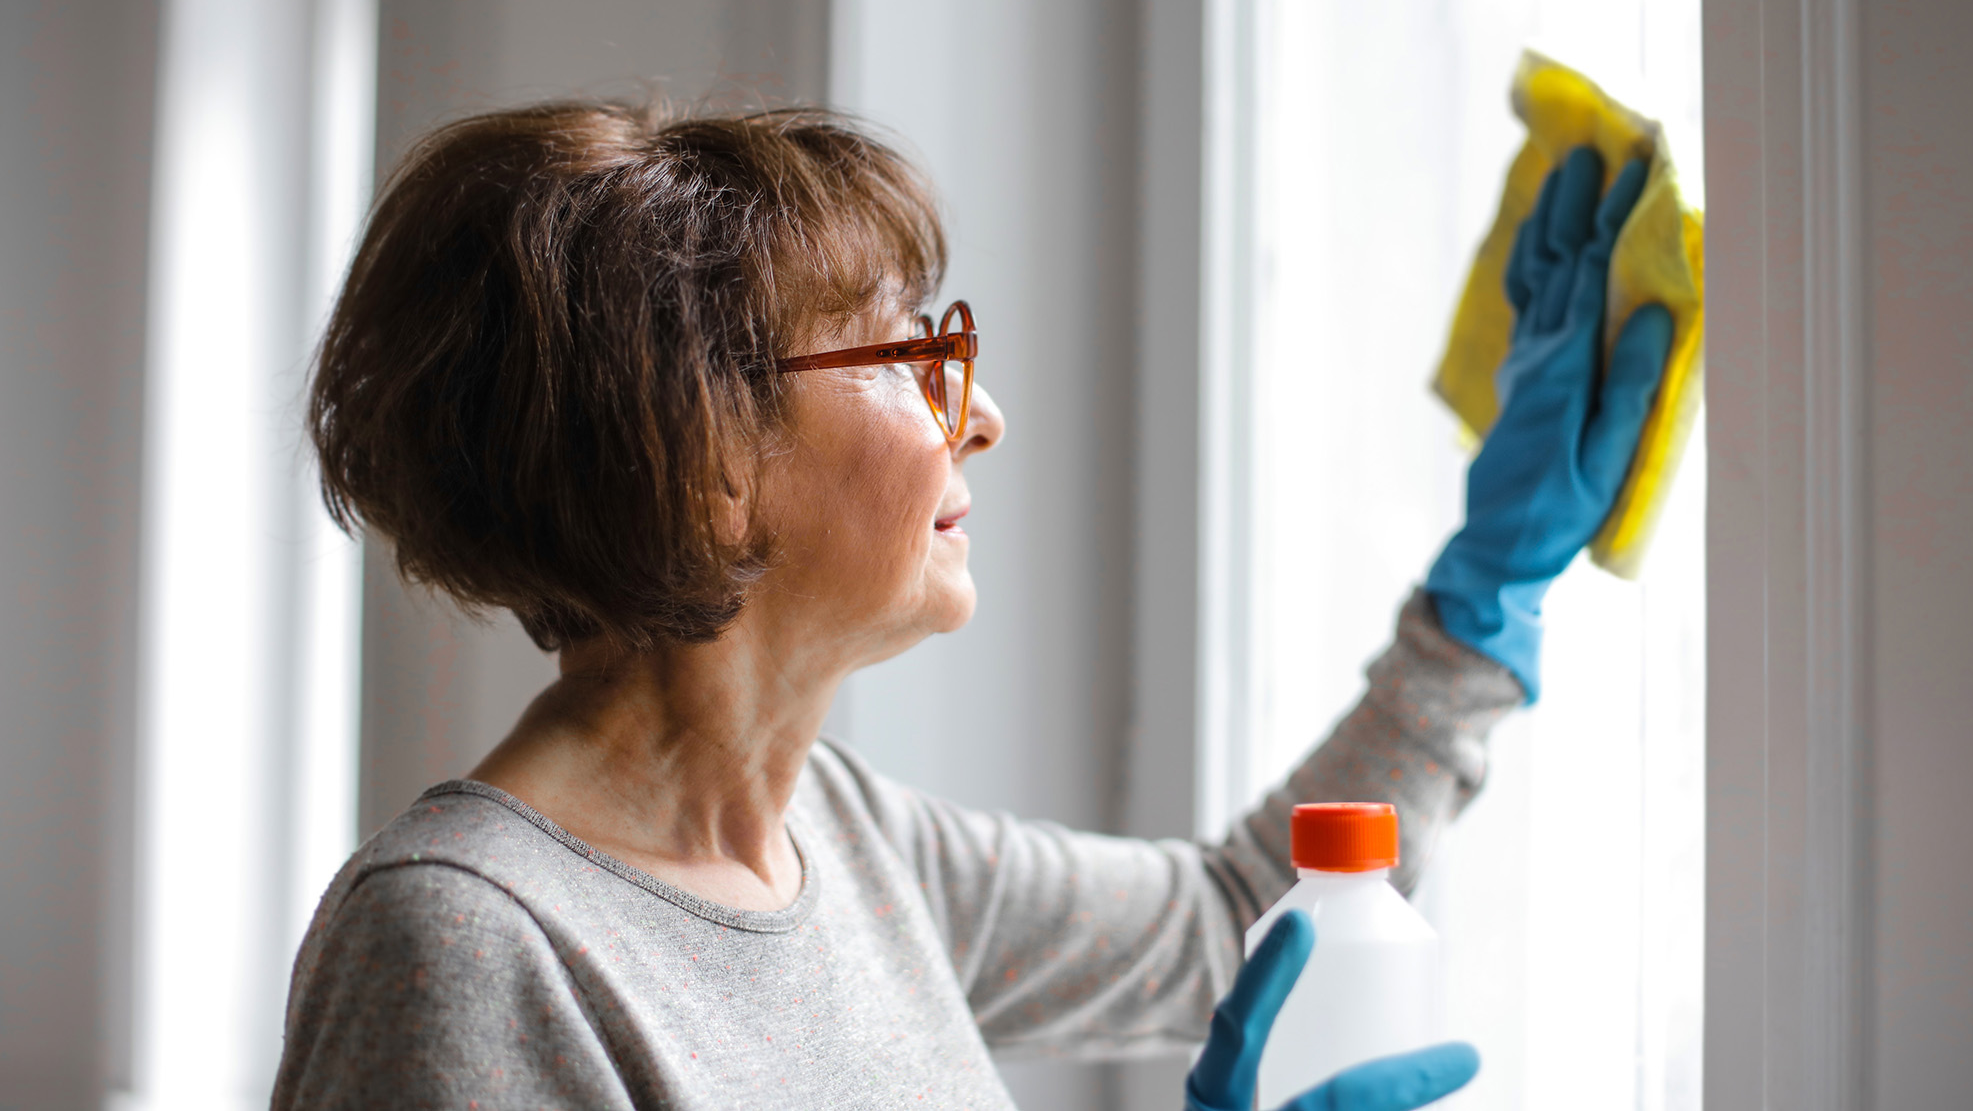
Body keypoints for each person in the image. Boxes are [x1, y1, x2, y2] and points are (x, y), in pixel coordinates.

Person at [273, 100, 1666, 1110]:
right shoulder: (465, 946)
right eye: (910, 352)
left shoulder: (852, 843)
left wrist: (1487, 590)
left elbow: (1237, 920)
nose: (982, 415)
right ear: (704, 461)